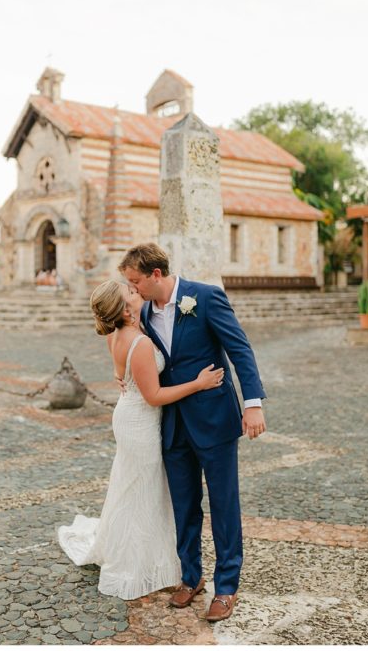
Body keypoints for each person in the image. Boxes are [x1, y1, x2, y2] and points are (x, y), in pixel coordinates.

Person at [120, 242, 267, 621]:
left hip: (215, 420)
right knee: (184, 506)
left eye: (136, 282)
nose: (132, 289)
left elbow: (240, 349)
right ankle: (190, 577)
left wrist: (253, 403)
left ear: (156, 274)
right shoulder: (145, 315)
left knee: (223, 505)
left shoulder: (204, 297)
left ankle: (227, 586)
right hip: (172, 424)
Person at [59, 280, 224, 599]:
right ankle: (138, 562)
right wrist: (199, 383)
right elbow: (154, 395)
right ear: (124, 309)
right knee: (145, 488)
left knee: (132, 484)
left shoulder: (115, 335)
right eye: (130, 293)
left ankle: (136, 549)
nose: (136, 293)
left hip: (127, 414)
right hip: (141, 422)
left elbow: (125, 374)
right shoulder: (141, 343)